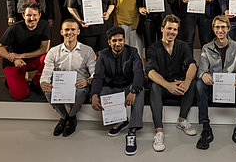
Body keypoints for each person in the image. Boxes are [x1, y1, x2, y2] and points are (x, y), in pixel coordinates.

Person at [196, 15, 236, 151]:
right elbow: (201, 70)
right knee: (198, 84)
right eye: (217, 27)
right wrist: (204, 74)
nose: (220, 30)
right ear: (213, 29)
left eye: (223, 27)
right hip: (213, 87)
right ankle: (205, 127)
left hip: (232, 88)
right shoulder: (206, 48)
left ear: (228, 28)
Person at [146, 14, 197, 152]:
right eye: (169, 28)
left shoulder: (183, 46)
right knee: (154, 86)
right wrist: (167, 85)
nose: (172, 32)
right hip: (163, 86)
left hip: (179, 85)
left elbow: (192, 64)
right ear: (162, 29)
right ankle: (159, 131)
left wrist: (186, 81)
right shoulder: (153, 49)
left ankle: (182, 121)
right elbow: (150, 72)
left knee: (192, 81)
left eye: (175, 30)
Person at [91, 26, 145, 156]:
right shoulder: (103, 55)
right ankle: (121, 121)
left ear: (124, 40)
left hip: (128, 86)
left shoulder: (132, 52)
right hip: (112, 86)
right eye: (114, 41)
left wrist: (133, 91)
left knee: (140, 91)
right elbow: (98, 76)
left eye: (120, 40)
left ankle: (132, 130)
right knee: (102, 93)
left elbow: (139, 72)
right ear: (109, 42)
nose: (117, 43)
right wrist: (94, 95)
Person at [40, 19, 96, 137]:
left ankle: (71, 117)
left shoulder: (88, 50)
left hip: (79, 82)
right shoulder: (53, 51)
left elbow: (94, 72)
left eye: (72, 29)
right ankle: (63, 117)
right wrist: (44, 82)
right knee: (47, 91)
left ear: (78, 32)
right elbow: (47, 71)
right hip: (60, 83)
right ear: (61, 32)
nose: (69, 32)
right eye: (66, 29)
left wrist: (88, 81)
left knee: (81, 91)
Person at [0, 2, 51, 100]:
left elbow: (44, 49)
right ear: (23, 15)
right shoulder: (14, 28)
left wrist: (21, 56)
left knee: (48, 57)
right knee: (21, 95)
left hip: (28, 60)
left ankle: (36, 83)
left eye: (35, 15)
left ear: (39, 15)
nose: (32, 18)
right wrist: (13, 58)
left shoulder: (45, 25)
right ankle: (10, 81)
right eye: (29, 15)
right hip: (14, 63)